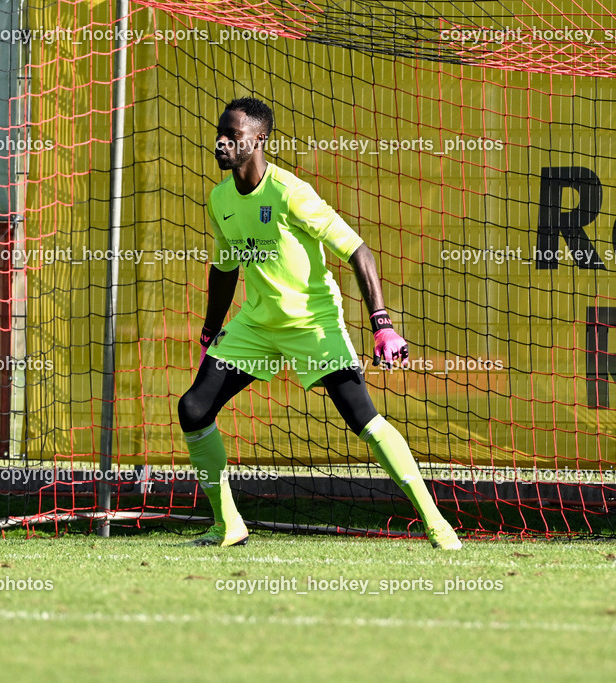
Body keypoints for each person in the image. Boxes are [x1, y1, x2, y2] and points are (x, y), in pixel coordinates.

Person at [178, 97, 461, 550]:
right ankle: (227, 525)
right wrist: (211, 333)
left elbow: (358, 251)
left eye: (234, 135)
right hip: (257, 325)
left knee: (363, 419)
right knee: (193, 408)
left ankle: (436, 524)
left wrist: (382, 324)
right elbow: (225, 267)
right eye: (221, 132)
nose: (223, 142)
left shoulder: (290, 192)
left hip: (313, 324)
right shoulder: (220, 198)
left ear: (260, 139)